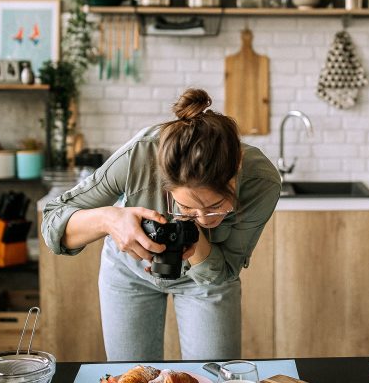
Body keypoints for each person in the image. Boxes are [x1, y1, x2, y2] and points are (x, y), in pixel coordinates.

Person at [41, 88, 281, 361]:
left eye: (216, 208)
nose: (202, 220)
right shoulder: (140, 156)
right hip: (129, 274)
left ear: (237, 166)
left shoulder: (262, 182)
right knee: (130, 376)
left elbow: (224, 271)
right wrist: (109, 219)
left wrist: (197, 241)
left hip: (207, 277)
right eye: (187, 208)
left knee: (215, 375)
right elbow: (53, 220)